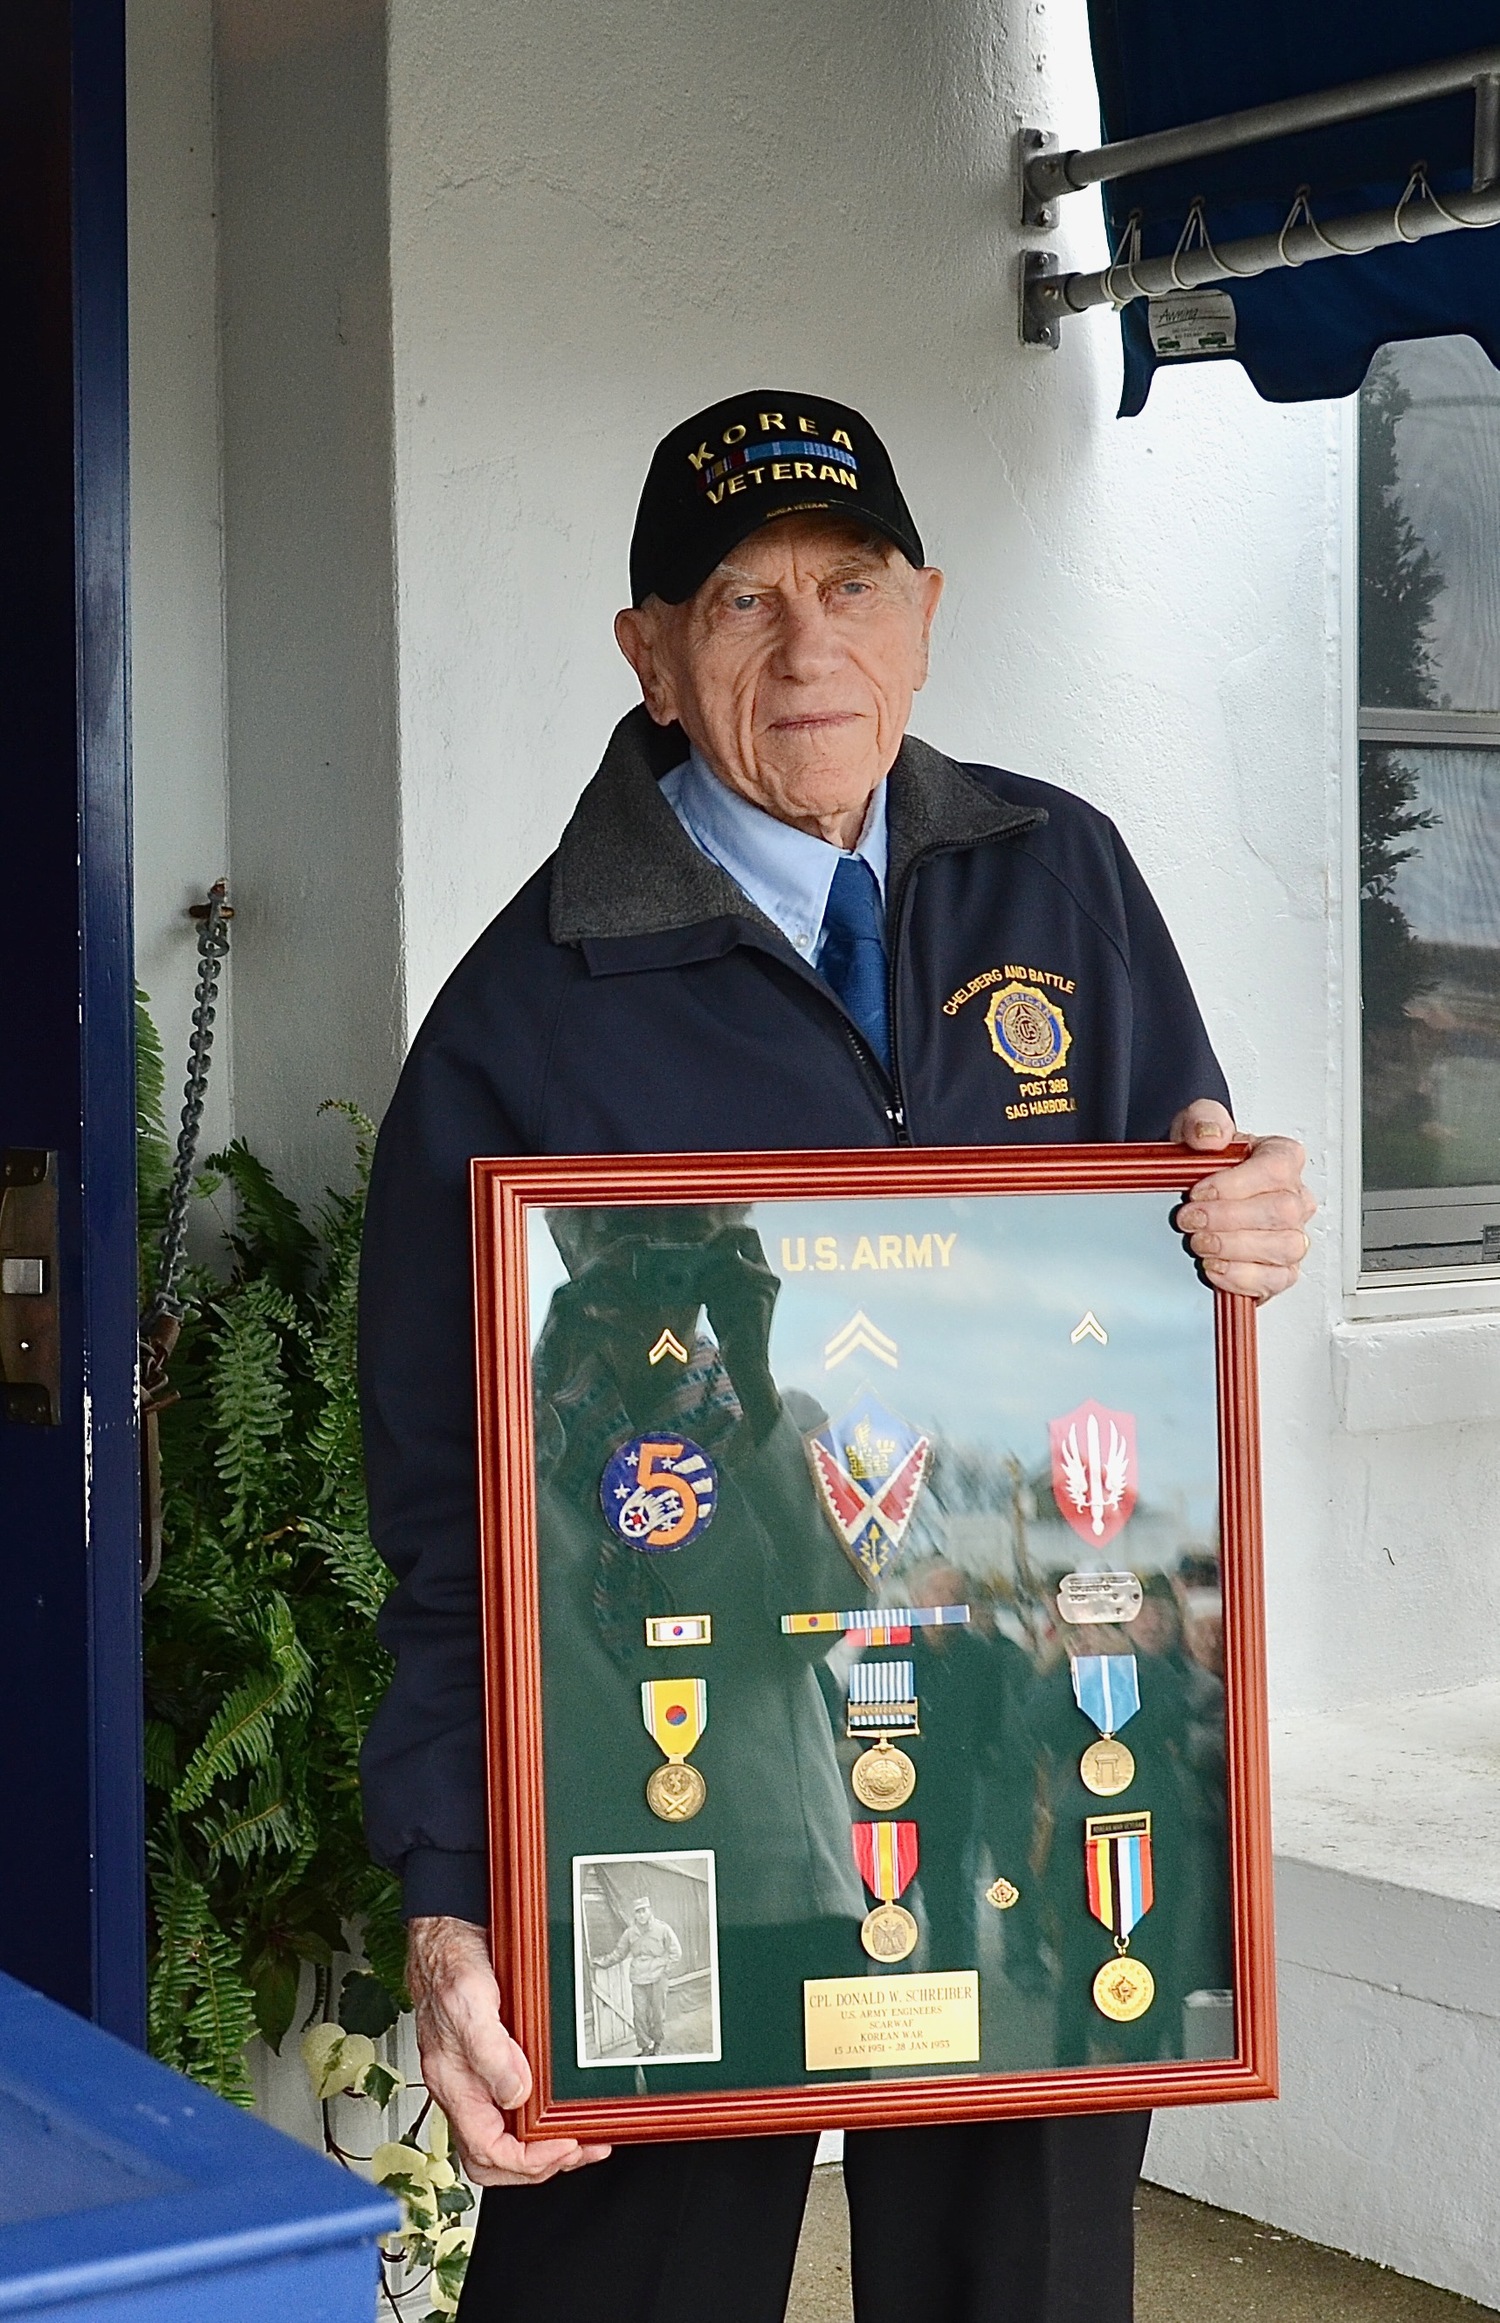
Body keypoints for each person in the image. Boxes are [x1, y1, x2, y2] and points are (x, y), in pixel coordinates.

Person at [358, 389, 1317, 2323]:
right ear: (646, 651)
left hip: (1033, 1775)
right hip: (667, 1785)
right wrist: (457, 1895)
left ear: (929, 610)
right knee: (619, 2292)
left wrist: (1250, 1217)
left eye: (852, 584)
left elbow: (1177, 1214)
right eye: (740, 599)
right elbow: (450, 1520)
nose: (813, 649)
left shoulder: (1069, 881)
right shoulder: (520, 1014)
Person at [595, 1896, 683, 2059]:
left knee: (657, 2015)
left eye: (644, 1911)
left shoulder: (662, 1929)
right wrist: (602, 1962)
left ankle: (657, 2044)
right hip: (638, 1979)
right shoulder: (630, 1933)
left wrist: (665, 1970)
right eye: (638, 1912)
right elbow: (619, 1953)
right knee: (639, 2015)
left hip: (658, 1978)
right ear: (634, 1915)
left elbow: (676, 1952)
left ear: (650, 1911)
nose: (641, 1915)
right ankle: (645, 2046)